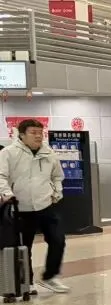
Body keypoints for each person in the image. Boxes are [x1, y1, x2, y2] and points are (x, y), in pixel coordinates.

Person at [0, 119, 67, 293]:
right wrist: (7, 193)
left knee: (58, 239)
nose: (38, 136)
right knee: (24, 246)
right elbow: (1, 176)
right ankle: (26, 282)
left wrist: (57, 192)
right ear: (22, 135)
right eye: (33, 133)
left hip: (46, 204)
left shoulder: (49, 153)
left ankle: (50, 277)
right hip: (20, 208)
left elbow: (57, 176)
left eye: (40, 133)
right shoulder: (8, 153)